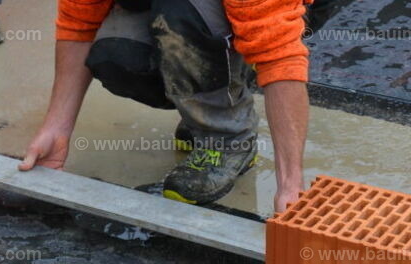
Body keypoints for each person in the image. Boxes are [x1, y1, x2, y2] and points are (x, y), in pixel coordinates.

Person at [18, 0, 313, 212]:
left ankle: (229, 138)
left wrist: (290, 184)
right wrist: (56, 129)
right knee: (117, 50)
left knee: (181, 15)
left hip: (271, 10)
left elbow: (278, 53)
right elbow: (78, 21)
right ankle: (202, 107)